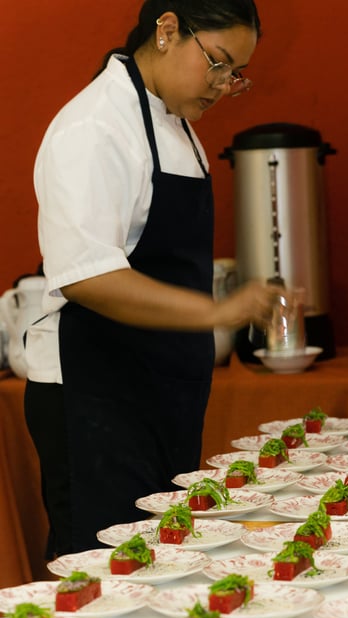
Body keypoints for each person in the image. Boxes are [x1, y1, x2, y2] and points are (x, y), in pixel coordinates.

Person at [24, 0, 280, 558]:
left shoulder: (174, 124)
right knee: (104, 576)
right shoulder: (95, 126)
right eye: (217, 63)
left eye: (235, 74)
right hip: (95, 396)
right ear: (167, 30)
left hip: (157, 391)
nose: (222, 85)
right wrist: (216, 312)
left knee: (161, 568)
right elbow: (89, 278)